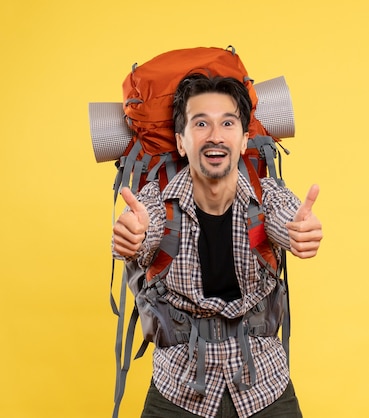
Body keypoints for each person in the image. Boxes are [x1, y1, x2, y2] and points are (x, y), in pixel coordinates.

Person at [112, 73, 323, 418]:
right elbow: (141, 226)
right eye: (200, 124)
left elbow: (285, 217)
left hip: (264, 386)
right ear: (181, 142)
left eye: (228, 123)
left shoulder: (266, 196)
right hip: (178, 389)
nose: (215, 136)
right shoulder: (154, 201)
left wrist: (299, 231)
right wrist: (132, 237)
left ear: (242, 140)